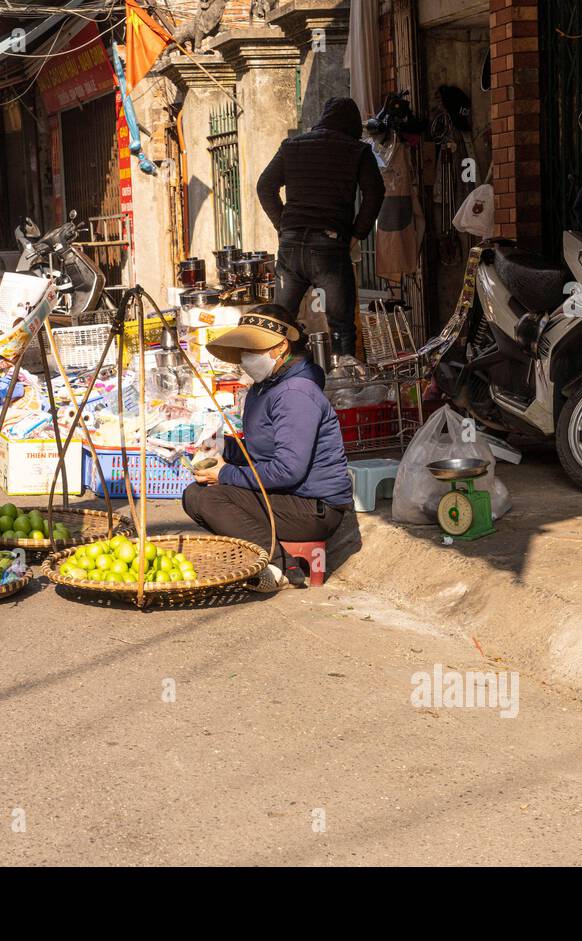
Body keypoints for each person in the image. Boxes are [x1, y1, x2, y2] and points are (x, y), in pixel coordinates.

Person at [182, 304, 353, 593]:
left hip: (313, 509)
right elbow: (263, 449)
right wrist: (226, 447)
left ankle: (280, 566)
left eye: (254, 351)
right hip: (284, 496)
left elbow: (287, 470)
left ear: (280, 347)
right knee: (195, 494)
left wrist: (225, 475)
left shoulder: (296, 393)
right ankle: (263, 555)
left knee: (211, 499)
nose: (247, 358)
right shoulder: (264, 389)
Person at [256, 96, 385, 359]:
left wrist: (283, 226)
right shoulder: (357, 151)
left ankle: (276, 380)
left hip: (291, 246)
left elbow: (265, 186)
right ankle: (346, 387)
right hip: (330, 244)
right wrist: (357, 235)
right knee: (341, 327)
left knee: (280, 323)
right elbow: (375, 194)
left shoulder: (291, 146)